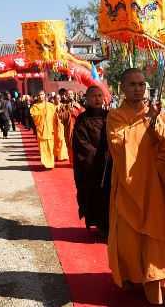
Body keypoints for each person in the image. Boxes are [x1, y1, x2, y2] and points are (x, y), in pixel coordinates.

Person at [107, 68, 165, 305]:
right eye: (132, 84)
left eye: (141, 84)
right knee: (131, 237)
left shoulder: (155, 112)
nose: (138, 88)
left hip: (155, 185)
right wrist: (146, 120)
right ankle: (133, 277)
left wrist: (156, 120)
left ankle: (158, 284)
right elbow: (120, 144)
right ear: (122, 88)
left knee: (156, 235)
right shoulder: (115, 115)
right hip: (130, 185)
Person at [72, 85, 111, 235]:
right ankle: (98, 224)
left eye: (100, 96)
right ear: (87, 98)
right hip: (91, 167)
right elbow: (81, 143)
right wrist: (99, 156)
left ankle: (108, 226)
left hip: (109, 164)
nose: (97, 99)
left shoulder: (110, 116)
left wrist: (111, 153)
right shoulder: (82, 119)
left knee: (108, 196)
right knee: (93, 195)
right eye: (93, 96)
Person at [30, 90, 57, 169]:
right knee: (43, 147)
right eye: (39, 95)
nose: (40, 96)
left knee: (51, 147)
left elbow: (55, 116)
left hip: (50, 129)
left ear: (45, 95)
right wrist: (42, 113)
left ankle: (51, 163)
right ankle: (46, 163)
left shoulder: (50, 105)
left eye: (42, 94)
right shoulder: (35, 107)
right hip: (41, 129)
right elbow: (34, 117)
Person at [58, 89, 84, 163]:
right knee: (70, 145)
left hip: (78, 129)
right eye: (68, 94)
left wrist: (76, 109)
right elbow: (60, 116)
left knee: (78, 145)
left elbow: (82, 115)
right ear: (66, 96)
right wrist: (68, 111)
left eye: (71, 94)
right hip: (68, 128)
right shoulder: (63, 106)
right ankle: (72, 161)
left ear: (74, 95)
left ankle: (78, 161)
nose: (70, 95)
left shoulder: (78, 105)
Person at [52, 94, 69, 162]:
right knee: (55, 140)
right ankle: (56, 154)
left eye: (59, 98)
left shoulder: (62, 106)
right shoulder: (52, 106)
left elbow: (66, 114)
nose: (58, 99)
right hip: (54, 125)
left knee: (62, 139)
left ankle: (62, 155)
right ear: (54, 99)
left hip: (61, 124)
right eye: (56, 98)